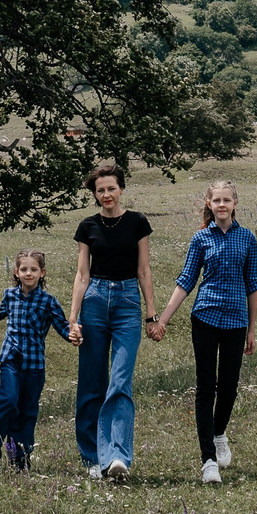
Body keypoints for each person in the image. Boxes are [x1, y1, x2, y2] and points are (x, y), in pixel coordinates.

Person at [150, 179, 257, 485]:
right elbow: (186, 280)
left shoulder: (247, 239)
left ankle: (220, 431)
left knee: (228, 387)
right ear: (209, 204)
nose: (222, 205)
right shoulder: (200, 239)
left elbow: (253, 285)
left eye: (227, 200)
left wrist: (252, 328)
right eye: (217, 200)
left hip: (237, 322)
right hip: (205, 318)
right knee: (206, 386)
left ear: (235, 204)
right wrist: (163, 320)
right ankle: (208, 460)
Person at [68, 160, 155, 480]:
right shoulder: (87, 227)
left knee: (120, 381)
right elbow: (82, 274)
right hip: (94, 302)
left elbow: (144, 270)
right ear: (95, 193)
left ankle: (117, 456)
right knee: (92, 382)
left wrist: (151, 314)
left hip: (128, 302)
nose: (106, 194)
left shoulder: (137, 223)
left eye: (111, 189)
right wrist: (73, 317)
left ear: (121, 189)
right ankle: (93, 456)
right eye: (100, 190)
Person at [0, 248, 70, 472]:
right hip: (11, 357)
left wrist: (74, 335)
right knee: (8, 401)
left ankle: (20, 457)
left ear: (42, 273)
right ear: (16, 272)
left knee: (27, 410)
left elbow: (62, 326)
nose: (29, 273)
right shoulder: (10, 295)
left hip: (35, 364)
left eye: (33, 269)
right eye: (24, 269)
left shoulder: (48, 301)